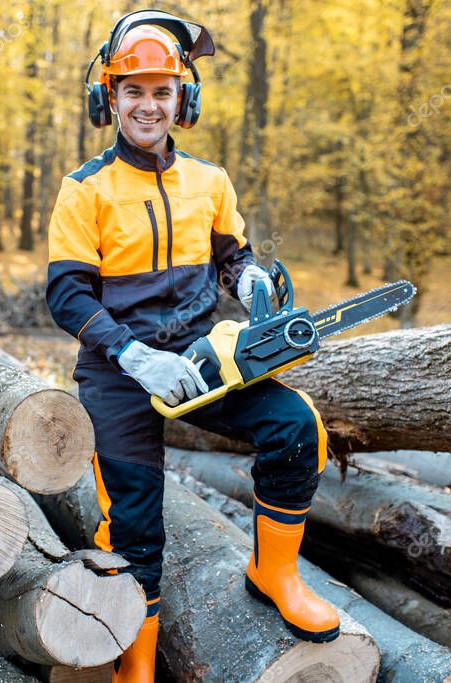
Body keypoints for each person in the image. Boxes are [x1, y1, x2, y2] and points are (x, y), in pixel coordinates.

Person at [45, 11, 339, 682]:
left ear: (185, 99)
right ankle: (135, 668)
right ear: (109, 98)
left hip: (199, 357)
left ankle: (273, 571)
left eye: (162, 91)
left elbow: (234, 257)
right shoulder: (85, 189)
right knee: (134, 526)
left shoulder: (210, 181)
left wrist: (250, 278)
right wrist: (133, 355)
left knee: (296, 426)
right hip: (118, 372)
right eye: (133, 91)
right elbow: (67, 295)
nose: (148, 106)